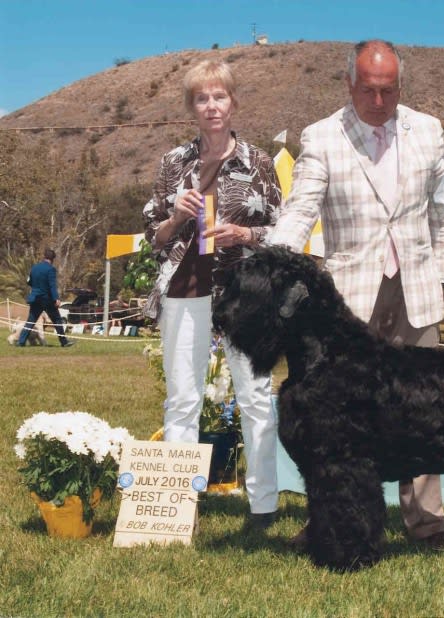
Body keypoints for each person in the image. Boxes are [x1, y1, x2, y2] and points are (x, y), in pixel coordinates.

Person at [270, 40, 444, 550]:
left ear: (401, 85)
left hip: (417, 291)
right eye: (370, 90)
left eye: (389, 90)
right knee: (335, 422)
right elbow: (300, 209)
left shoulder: (429, 130)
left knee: (423, 411)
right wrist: (275, 260)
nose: (380, 101)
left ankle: (427, 525)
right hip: (348, 303)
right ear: (349, 84)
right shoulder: (321, 137)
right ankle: (330, 523)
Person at [142, 60, 282, 532]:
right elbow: (153, 238)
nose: (211, 106)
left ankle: (262, 507)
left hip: (244, 292)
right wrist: (176, 218)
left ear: (233, 101)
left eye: (219, 96)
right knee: (182, 398)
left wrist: (242, 231)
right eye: (202, 98)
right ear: (192, 107)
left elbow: (282, 233)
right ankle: (179, 505)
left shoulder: (260, 163)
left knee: (256, 396)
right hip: (184, 289)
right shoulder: (171, 164)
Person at [16, 248, 74, 348]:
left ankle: (21, 342)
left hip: (35, 298)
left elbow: (28, 281)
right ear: (52, 259)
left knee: (30, 321)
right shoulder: (50, 269)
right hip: (47, 300)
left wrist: (36, 288)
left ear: (44, 257)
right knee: (57, 320)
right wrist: (56, 298)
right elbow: (52, 285)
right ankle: (64, 342)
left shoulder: (34, 267)